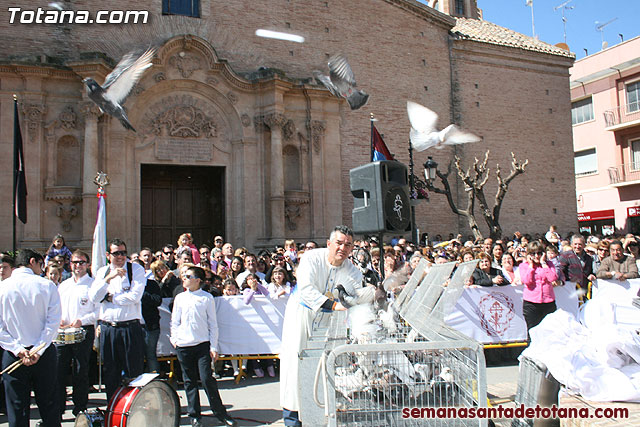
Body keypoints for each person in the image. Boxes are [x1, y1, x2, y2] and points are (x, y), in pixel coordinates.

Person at [280, 225, 362, 427]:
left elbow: (355, 296)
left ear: (352, 249)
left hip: (328, 321)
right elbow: (307, 290)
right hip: (301, 315)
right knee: (294, 365)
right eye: (339, 243)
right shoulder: (311, 258)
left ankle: (320, 416)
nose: (343, 248)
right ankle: (292, 419)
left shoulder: (353, 271)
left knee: (324, 368)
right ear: (329, 244)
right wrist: (337, 305)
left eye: (348, 245)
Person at [0, 249, 61, 427]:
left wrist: (19, 350)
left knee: (17, 409)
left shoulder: (3, 286)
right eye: (41, 265)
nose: (41, 269)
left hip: (14, 353)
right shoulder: (47, 285)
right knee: (49, 406)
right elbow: (53, 323)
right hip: (41, 354)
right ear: (32, 261)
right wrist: (38, 350)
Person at [170, 266, 236, 427]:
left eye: (188, 276)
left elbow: (213, 324)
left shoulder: (206, 298)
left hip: (202, 344)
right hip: (184, 345)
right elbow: (175, 321)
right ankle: (194, 415)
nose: (184, 278)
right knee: (189, 380)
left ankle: (220, 412)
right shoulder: (180, 298)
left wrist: (214, 347)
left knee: (207, 378)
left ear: (197, 280)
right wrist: (175, 338)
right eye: (183, 275)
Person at [88, 238, 146, 403]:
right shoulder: (102, 272)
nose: (120, 257)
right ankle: (113, 408)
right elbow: (94, 297)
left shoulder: (135, 269)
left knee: (133, 372)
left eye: (123, 253)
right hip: (109, 328)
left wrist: (111, 298)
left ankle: (133, 408)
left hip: (130, 327)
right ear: (108, 255)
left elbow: (135, 296)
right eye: (116, 253)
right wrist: (108, 279)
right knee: (111, 373)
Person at [56, 250, 97, 418]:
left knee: (80, 371)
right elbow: (56, 307)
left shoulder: (93, 285)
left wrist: (83, 320)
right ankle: (58, 409)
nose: (77, 266)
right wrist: (59, 320)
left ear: (87, 265)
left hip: (84, 331)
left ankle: (80, 407)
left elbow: (99, 312)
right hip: (64, 332)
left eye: (81, 262)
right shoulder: (64, 285)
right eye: (74, 262)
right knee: (59, 371)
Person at [518, 242, 561, 337]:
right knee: (533, 332)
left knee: (550, 332)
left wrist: (543, 263)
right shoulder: (524, 266)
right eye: (533, 253)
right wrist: (531, 266)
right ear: (529, 254)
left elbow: (552, 278)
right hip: (531, 303)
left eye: (539, 253)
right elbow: (526, 281)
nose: (536, 256)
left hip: (548, 302)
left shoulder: (549, 264)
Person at [135, 259, 162, 373]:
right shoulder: (128, 285)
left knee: (150, 355)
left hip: (149, 326)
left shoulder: (151, 284)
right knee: (136, 356)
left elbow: (157, 300)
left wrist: (141, 293)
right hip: (133, 325)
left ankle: (154, 379)